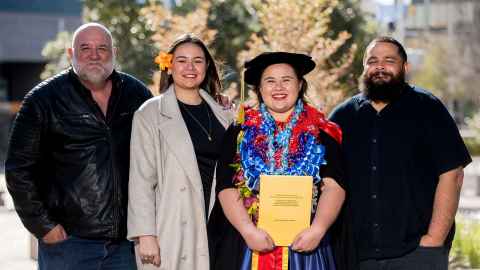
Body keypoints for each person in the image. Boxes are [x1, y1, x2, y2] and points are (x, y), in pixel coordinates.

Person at [5, 22, 152, 270]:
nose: (94, 55)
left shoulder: (136, 94)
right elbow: (18, 171)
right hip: (69, 245)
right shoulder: (42, 100)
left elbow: (164, 138)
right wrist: (44, 227)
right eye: (85, 48)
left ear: (114, 52)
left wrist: (209, 98)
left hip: (126, 245)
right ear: (71, 53)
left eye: (102, 48)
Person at [329, 36, 472, 270]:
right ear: (364, 68)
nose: (380, 66)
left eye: (389, 60)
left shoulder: (429, 109)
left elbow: (452, 175)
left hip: (417, 253)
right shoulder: (342, 117)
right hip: (356, 255)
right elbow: (327, 180)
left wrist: (434, 239)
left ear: (405, 67)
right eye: (372, 61)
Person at [209, 52, 350, 270]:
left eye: (287, 80)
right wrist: (248, 231)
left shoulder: (322, 131)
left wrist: (318, 230)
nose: (279, 87)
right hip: (250, 244)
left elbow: (334, 186)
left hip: (306, 246)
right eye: (270, 81)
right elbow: (226, 187)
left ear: (300, 84)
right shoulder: (239, 131)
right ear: (259, 88)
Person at [127, 34, 233, 270]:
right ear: (169, 66)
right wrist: (145, 235)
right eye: (182, 60)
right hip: (172, 225)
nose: (190, 67)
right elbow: (141, 180)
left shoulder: (223, 114)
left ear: (207, 66)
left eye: (197, 61)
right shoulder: (150, 113)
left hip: (218, 224)